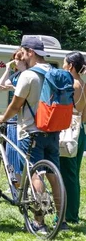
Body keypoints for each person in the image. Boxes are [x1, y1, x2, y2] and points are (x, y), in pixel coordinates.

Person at [0, 37, 63, 232]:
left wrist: (2, 118)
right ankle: (61, 219)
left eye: (23, 51)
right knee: (53, 175)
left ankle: (39, 222)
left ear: (31, 53)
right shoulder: (54, 71)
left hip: (32, 131)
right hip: (53, 131)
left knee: (36, 175)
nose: (21, 55)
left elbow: (16, 105)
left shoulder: (28, 76)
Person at [59, 52, 86, 227]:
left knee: (66, 174)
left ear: (71, 66)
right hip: (81, 131)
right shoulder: (84, 84)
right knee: (74, 174)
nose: (62, 66)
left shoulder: (70, 84)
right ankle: (73, 212)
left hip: (68, 131)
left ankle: (68, 214)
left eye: (64, 63)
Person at [0, 49, 27, 183]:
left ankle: (22, 182)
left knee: (20, 152)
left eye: (17, 59)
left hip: (22, 118)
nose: (15, 62)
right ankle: (16, 182)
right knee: (11, 152)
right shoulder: (16, 75)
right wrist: (7, 70)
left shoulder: (27, 75)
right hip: (12, 118)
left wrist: (16, 90)